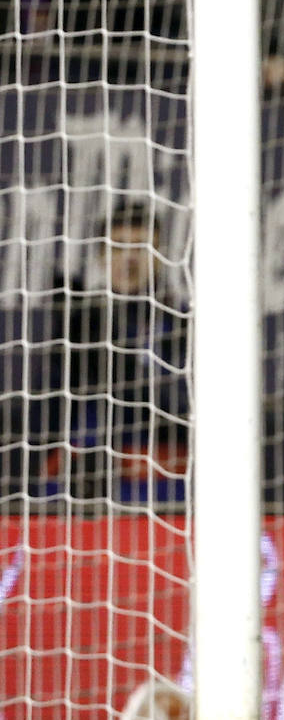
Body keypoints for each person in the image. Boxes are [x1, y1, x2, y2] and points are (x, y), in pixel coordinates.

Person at [31, 200, 189, 505]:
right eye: (117, 248)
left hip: (163, 477)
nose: (128, 260)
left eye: (140, 248)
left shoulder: (181, 323)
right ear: (102, 256)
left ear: (159, 256)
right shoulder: (81, 321)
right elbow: (48, 408)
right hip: (85, 480)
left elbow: (181, 404)